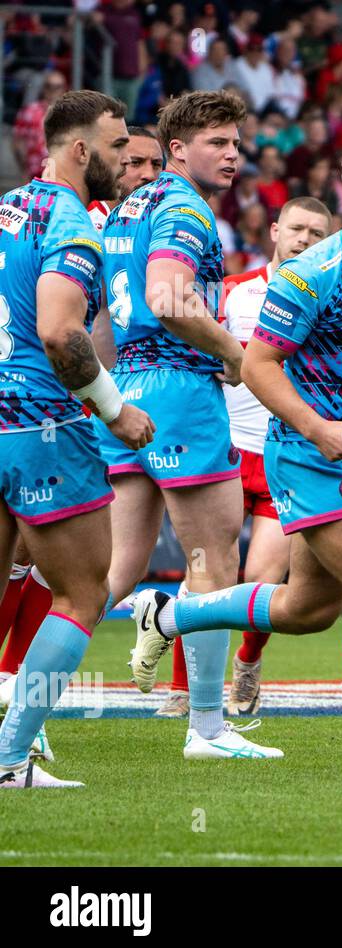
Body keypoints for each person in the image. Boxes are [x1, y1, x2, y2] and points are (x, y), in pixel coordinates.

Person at [128, 137, 342, 775]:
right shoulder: (315, 272)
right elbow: (257, 364)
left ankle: (170, 613)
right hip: (305, 454)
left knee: (306, 611)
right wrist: (316, 429)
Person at [95, 91, 277, 753]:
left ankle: (19, 713)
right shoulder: (183, 206)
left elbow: (104, 323)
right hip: (181, 389)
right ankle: (207, 726)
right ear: (178, 150)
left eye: (236, 143)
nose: (234, 154)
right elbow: (168, 297)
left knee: (111, 573)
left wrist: (106, 399)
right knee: (213, 564)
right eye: (219, 143)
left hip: (127, 390)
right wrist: (235, 353)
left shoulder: (126, 208)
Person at [0, 90, 155, 789]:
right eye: (119, 147)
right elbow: (61, 332)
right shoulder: (70, 221)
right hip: (41, 423)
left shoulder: (5, 209)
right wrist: (114, 408)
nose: (127, 160)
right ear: (81, 150)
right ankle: (9, 759)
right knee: (84, 593)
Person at [156, 197, 333, 719]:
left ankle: (249, 659)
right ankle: (183, 688)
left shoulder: (329, 299)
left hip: (285, 454)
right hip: (227, 453)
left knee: (261, 581)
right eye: (297, 228)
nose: (305, 239)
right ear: (275, 230)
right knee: (209, 570)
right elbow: (189, 340)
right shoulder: (233, 291)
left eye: (318, 233)